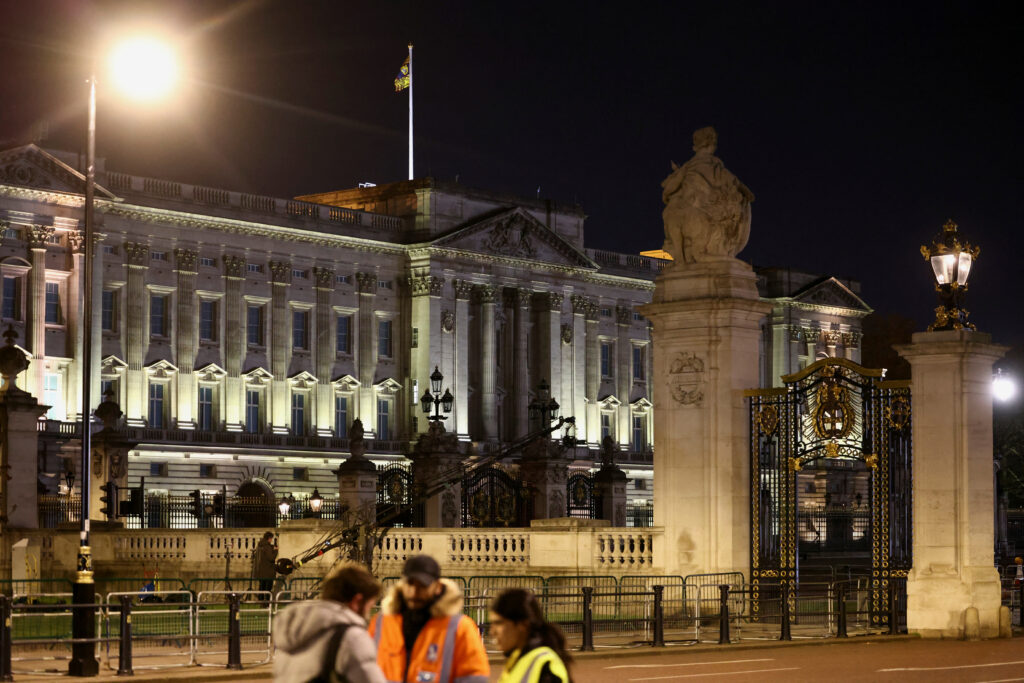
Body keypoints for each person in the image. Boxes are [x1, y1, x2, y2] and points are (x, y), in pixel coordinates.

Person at [369, 555, 489, 683]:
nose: (414, 591)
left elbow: (475, 677)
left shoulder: (460, 627)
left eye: (422, 585)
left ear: (437, 587)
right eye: (410, 583)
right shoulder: (382, 622)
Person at [273, 561, 386, 683]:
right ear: (357, 601)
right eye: (369, 606)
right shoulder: (352, 637)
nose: (368, 615)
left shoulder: (291, 634)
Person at [490, 589, 572, 683]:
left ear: (522, 625)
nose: (492, 631)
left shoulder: (545, 665)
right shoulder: (517, 659)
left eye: (499, 623)